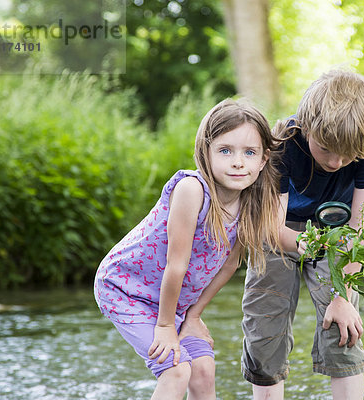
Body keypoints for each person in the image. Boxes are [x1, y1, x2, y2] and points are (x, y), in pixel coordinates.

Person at [94, 99, 281, 400]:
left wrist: (193, 316)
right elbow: (176, 264)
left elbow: (229, 266)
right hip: (127, 289)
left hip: (174, 302)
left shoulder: (252, 202)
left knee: (204, 368)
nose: (238, 162)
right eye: (225, 150)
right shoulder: (192, 190)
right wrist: (167, 325)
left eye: (249, 152)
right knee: (176, 369)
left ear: (263, 159)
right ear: (206, 152)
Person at [241, 69, 364, 400]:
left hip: (338, 234)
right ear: (307, 129)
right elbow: (272, 229)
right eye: (325, 150)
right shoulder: (283, 143)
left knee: (343, 327)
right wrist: (305, 244)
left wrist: (341, 293)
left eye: (348, 155)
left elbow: (360, 232)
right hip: (280, 229)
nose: (336, 162)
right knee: (265, 328)